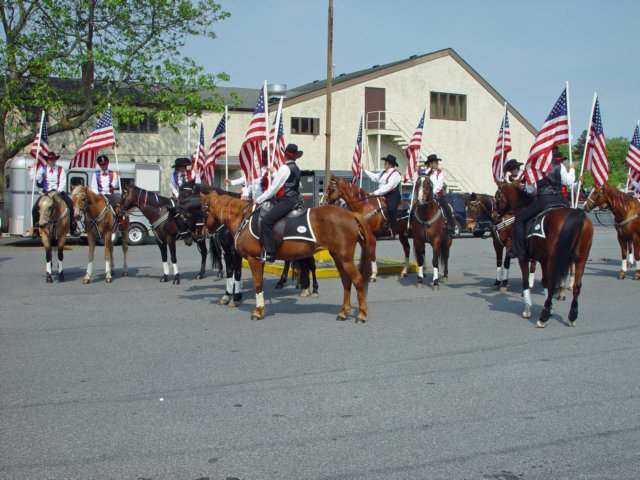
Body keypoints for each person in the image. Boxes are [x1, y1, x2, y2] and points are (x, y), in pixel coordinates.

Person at [510, 147, 576, 260]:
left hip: (544, 200)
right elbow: (569, 181)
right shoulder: (559, 165)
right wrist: (572, 169)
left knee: (520, 220)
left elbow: (530, 190)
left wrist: (536, 190)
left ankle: (519, 251)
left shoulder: (534, 167)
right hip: (561, 199)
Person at [253, 144, 303, 263]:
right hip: (295, 199)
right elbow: (287, 182)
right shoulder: (296, 168)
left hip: (286, 200)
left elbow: (273, 189)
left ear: (284, 155)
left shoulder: (284, 168)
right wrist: (275, 173)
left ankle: (270, 253)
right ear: (295, 157)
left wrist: (258, 199)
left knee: (266, 221)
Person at [30, 151, 78, 237]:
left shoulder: (60, 169)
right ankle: (36, 229)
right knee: (35, 209)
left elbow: (63, 182)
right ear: (47, 160)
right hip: (46, 193)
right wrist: (33, 167)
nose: (52, 161)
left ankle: (72, 227)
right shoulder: (42, 169)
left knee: (71, 206)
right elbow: (35, 178)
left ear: (55, 160)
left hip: (58, 192)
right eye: (50, 159)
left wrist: (58, 191)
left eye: (53, 159)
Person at [364, 154, 402, 235]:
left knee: (391, 209)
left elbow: (388, 187)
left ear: (390, 164)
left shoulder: (396, 174)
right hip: (382, 193)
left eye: (386, 162)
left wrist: (375, 193)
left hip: (392, 195)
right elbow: (374, 177)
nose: (384, 163)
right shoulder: (383, 172)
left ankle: (393, 229)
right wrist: (364, 170)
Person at [422, 154, 456, 236]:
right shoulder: (426, 173)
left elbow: (438, 186)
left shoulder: (440, 173)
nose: (437, 163)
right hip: (426, 196)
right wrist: (416, 171)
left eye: (437, 162)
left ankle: (451, 227)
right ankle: (412, 227)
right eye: (435, 162)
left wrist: (432, 194)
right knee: (415, 207)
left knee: (447, 208)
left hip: (438, 196)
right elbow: (421, 181)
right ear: (430, 164)